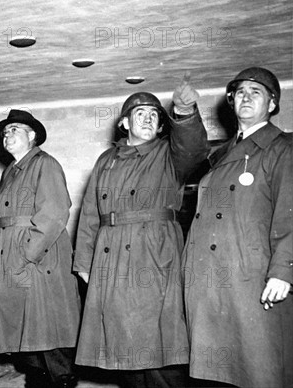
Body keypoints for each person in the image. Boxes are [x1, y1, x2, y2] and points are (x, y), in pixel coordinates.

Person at [73, 74, 210, 387]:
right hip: (111, 255)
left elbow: (193, 147)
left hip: (154, 252)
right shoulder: (106, 160)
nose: (148, 119)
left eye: (153, 116)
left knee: (162, 344)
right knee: (123, 345)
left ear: (161, 126)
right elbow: (91, 213)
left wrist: (185, 113)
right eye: (140, 114)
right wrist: (84, 262)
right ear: (124, 123)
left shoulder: (169, 154)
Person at [183, 67, 292, 388]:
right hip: (209, 278)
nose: (246, 96)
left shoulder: (282, 149)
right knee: (217, 374)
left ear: (272, 104)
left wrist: (283, 271)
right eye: (240, 91)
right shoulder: (221, 155)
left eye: (256, 92)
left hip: (252, 276)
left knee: (261, 369)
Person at [0, 110, 81, 388]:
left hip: (39, 262)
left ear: (32, 136)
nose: (7, 135)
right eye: (5, 132)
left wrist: (27, 254)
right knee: (27, 337)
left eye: (14, 129)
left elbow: (54, 213)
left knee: (49, 333)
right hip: (13, 259)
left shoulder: (45, 164)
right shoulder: (11, 171)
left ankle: (61, 381)